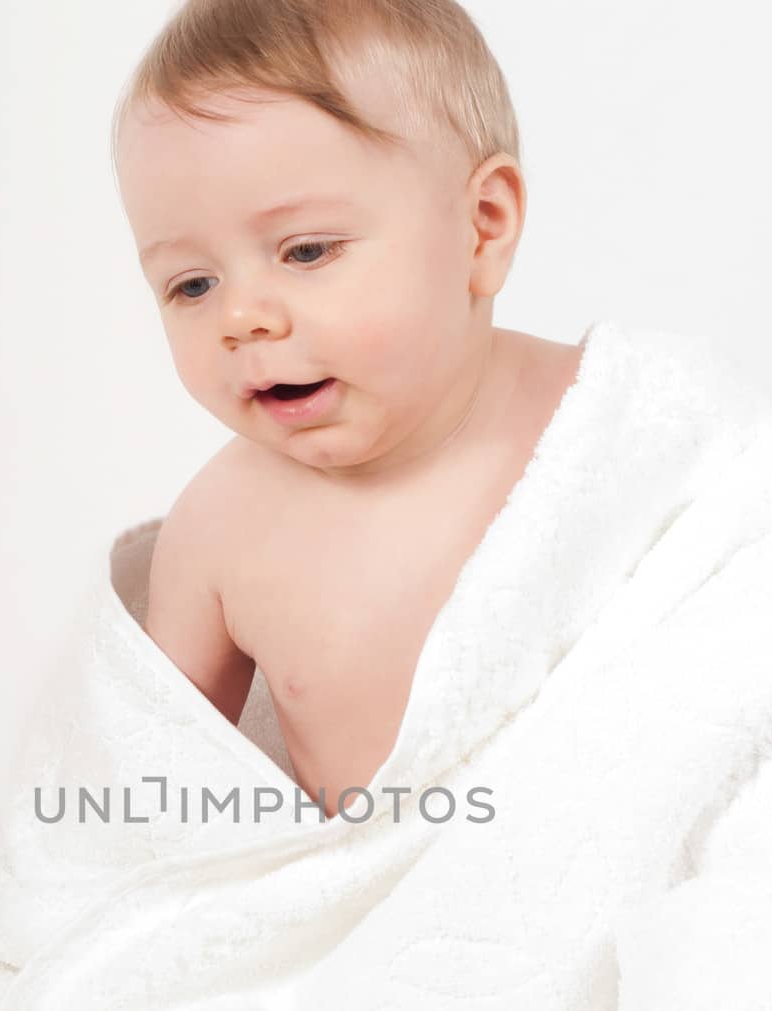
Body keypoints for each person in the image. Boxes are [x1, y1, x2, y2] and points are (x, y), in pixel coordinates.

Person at [113, 0, 585, 817]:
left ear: (482, 226)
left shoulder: (606, 427)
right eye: (192, 284)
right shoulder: (221, 531)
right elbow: (149, 804)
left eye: (305, 251)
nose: (242, 317)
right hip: (389, 926)